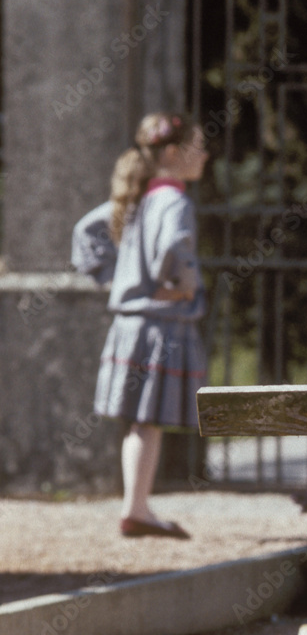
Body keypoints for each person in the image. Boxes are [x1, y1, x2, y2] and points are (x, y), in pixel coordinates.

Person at [71, 112, 210, 538]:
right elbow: (173, 247)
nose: (205, 155)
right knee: (147, 422)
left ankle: (137, 507)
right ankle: (137, 509)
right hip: (160, 328)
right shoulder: (173, 201)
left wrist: (118, 279)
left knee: (141, 422)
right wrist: (180, 285)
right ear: (172, 153)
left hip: (130, 325)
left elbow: (85, 232)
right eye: (198, 146)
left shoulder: (136, 200)